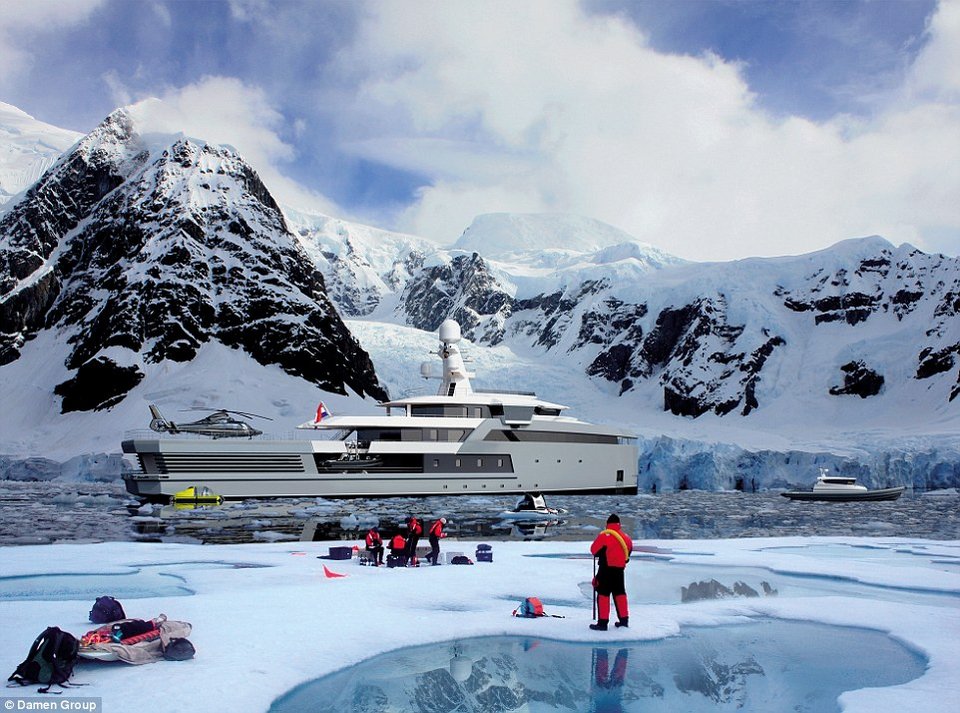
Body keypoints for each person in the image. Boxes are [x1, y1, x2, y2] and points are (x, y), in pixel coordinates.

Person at [589, 513, 633, 631]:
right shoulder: (626, 538)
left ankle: (602, 623)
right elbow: (628, 555)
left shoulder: (604, 535)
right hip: (619, 571)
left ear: (607, 524)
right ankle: (624, 621)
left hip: (605, 570)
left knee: (603, 594)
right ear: (619, 524)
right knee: (620, 594)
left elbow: (593, 550)